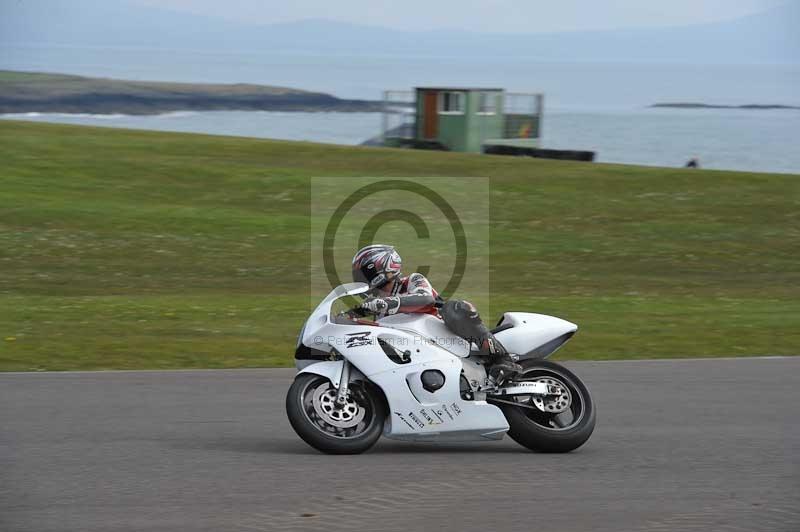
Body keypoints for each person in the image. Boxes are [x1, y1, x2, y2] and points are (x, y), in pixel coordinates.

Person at [351, 244, 522, 383]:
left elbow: (425, 299)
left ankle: (502, 359)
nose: (360, 279)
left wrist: (383, 303)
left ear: (382, 266)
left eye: (364, 273)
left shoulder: (412, 281)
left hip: (449, 338)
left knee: (457, 308)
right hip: (418, 355)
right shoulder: (379, 311)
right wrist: (349, 320)